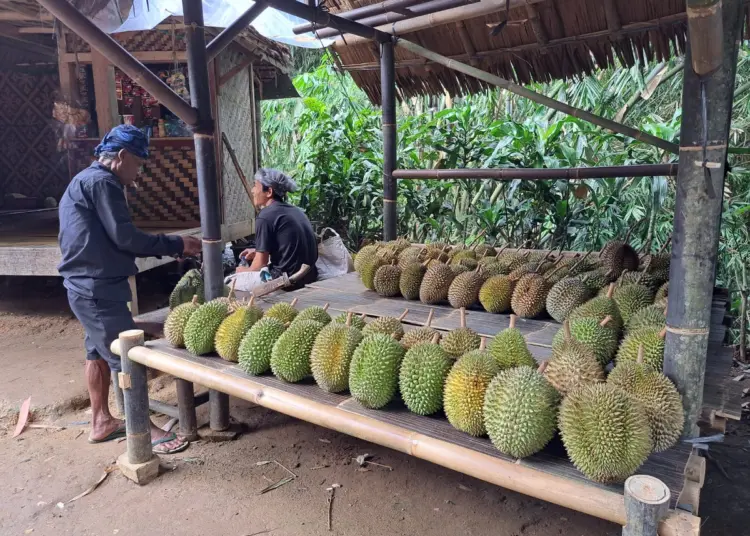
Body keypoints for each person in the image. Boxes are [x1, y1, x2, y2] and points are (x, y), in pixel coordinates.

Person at [58, 124, 202, 453]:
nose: (137, 173)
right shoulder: (103, 183)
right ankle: (145, 429)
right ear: (121, 156)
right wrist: (177, 243)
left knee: (96, 353)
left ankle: (101, 421)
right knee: (127, 357)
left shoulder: (85, 180)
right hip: (96, 287)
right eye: (137, 163)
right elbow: (126, 238)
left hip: (86, 284)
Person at [232, 168, 318, 291]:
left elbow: (259, 264)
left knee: (231, 282)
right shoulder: (296, 211)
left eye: (255, 186)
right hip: (309, 276)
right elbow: (289, 246)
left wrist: (243, 271)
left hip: (287, 280)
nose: (252, 191)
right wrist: (257, 251)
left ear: (269, 192)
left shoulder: (265, 216)